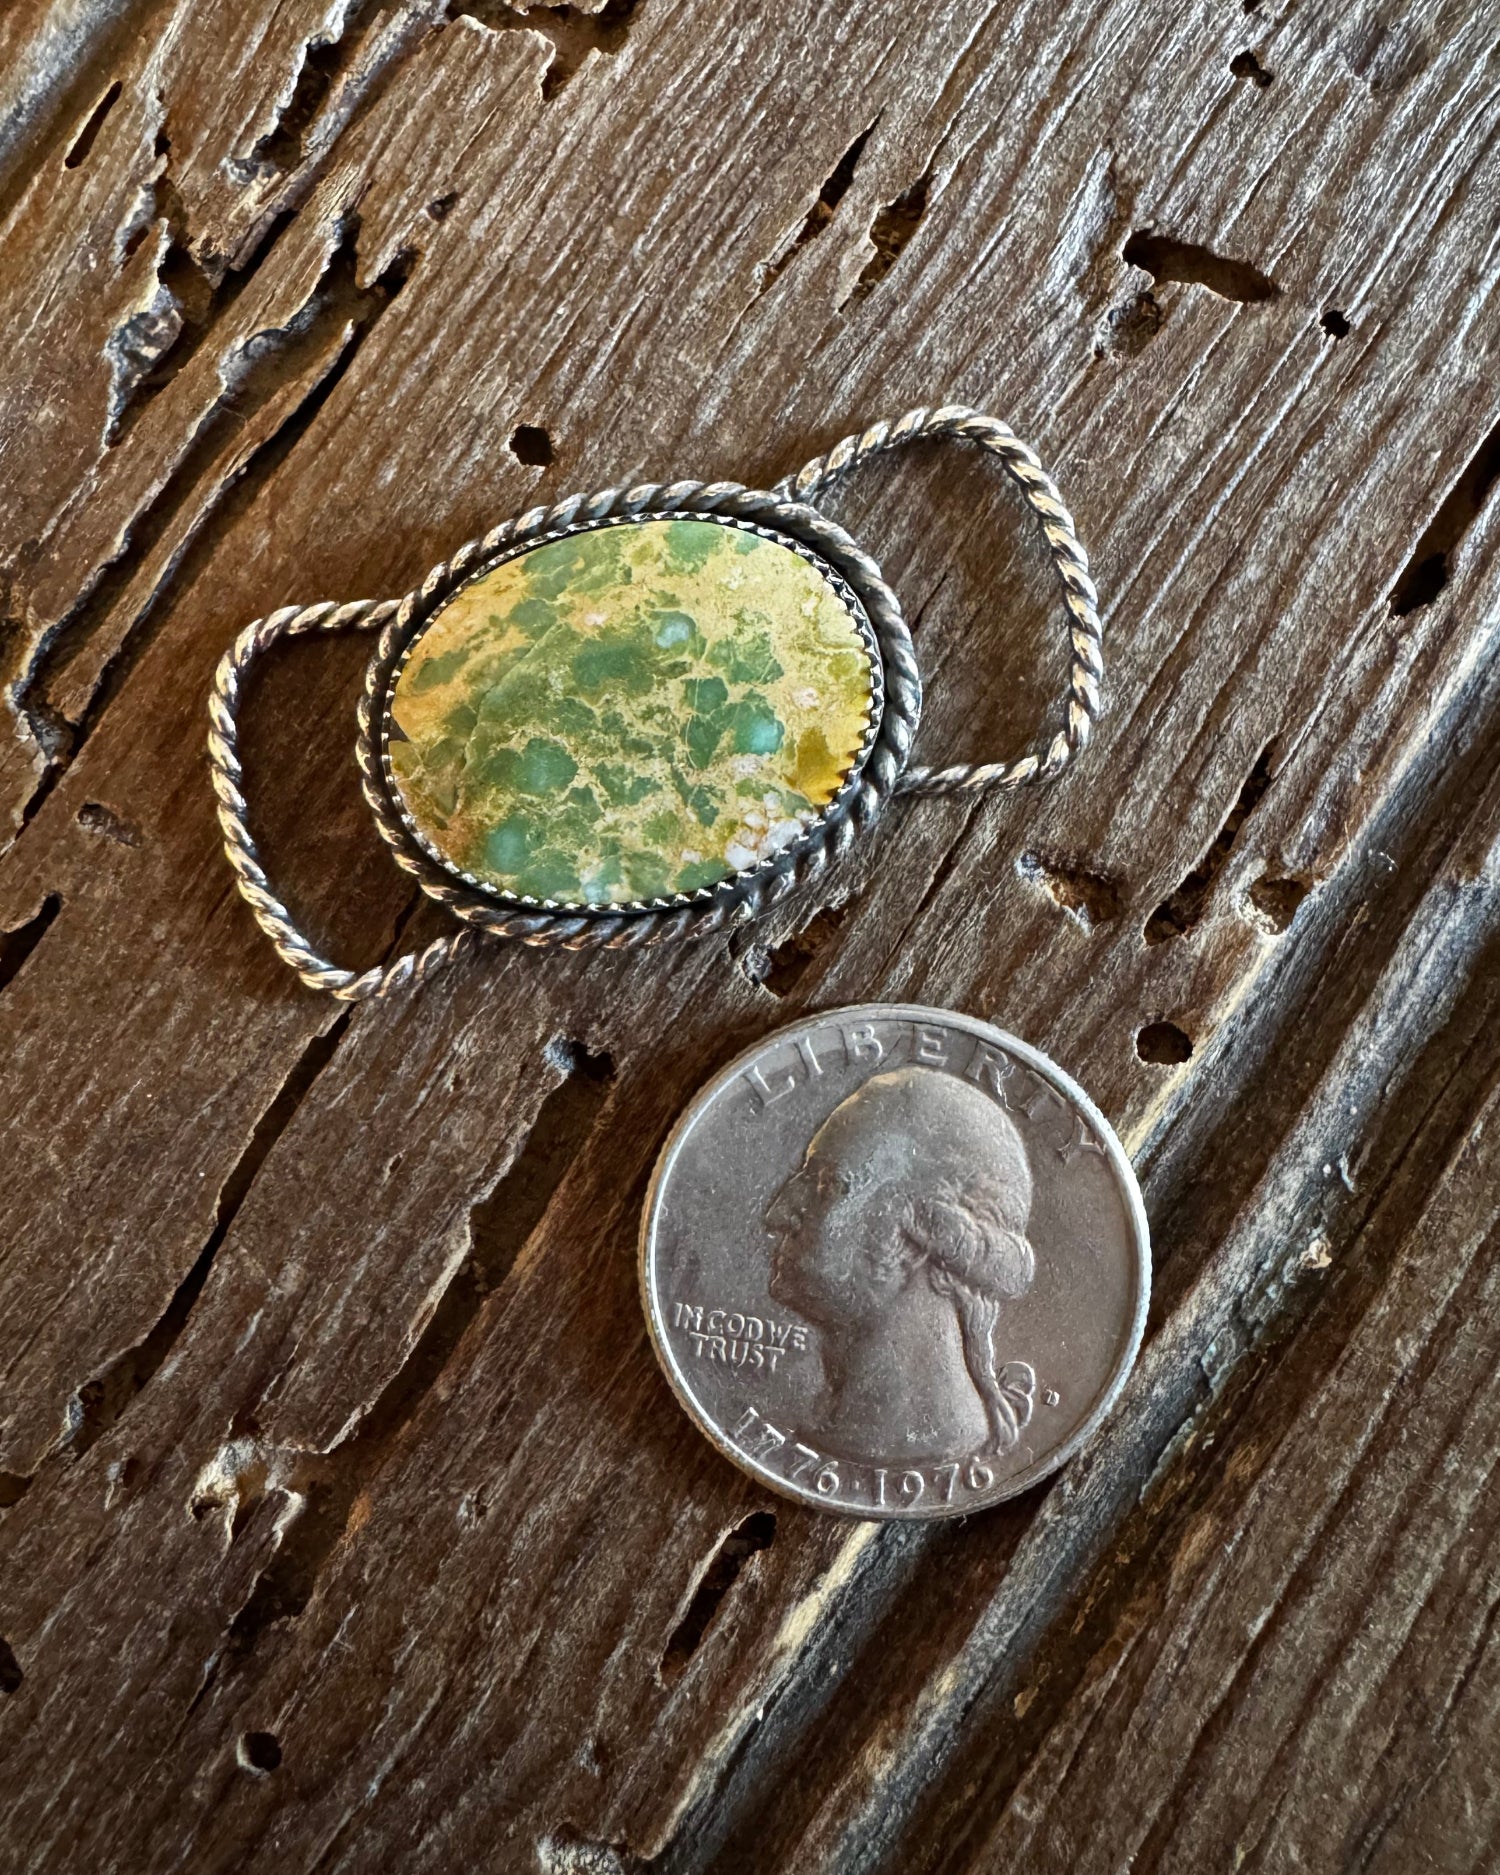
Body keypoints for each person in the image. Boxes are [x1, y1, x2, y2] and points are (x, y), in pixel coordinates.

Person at [765, 1066, 1037, 1461]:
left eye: (829, 1184)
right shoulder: (818, 1422)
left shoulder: (930, 1439)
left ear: (922, 1236)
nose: (778, 1213)